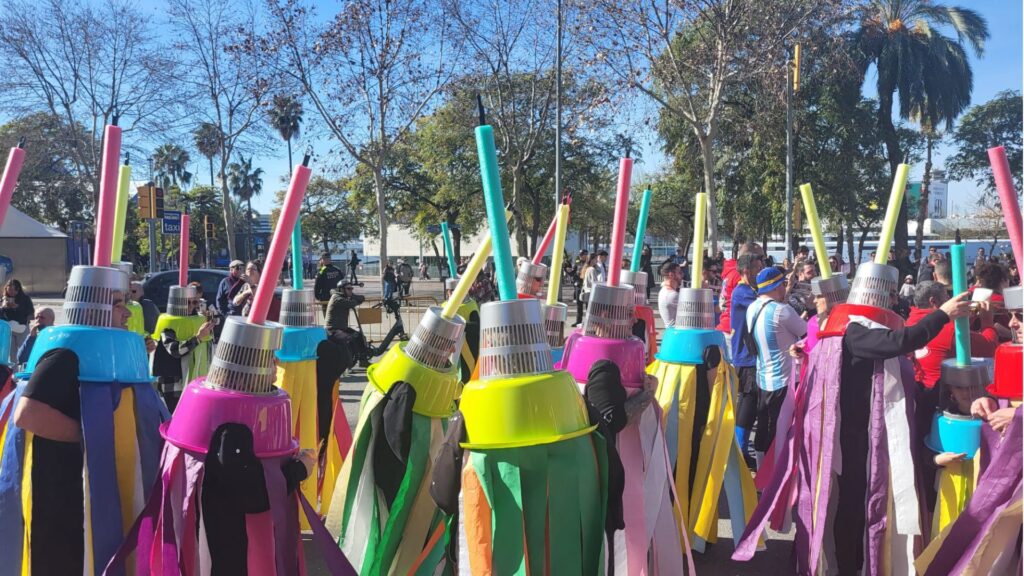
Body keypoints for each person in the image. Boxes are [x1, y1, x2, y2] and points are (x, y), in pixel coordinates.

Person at [747, 267, 807, 465]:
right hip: (784, 380)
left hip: (763, 377)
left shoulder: (752, 307)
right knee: (780, 431)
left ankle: (761, 471)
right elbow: (806, 332)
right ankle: (776, 474)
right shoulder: (782, 311)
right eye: (782, 284)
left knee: (763, 427)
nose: (785, 288)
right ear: (775, 286)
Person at [908, 281, 999, 389]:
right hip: (946, 391)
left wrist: (969, 318)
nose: (950, 301)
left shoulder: (908, 322)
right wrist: (987, 321)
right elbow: (989, 348)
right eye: (947, 298)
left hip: (919, 387)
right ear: (933, 302)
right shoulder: (945, 329)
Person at [151, 287, 215, 412]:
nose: (191, 306)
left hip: (190, 380)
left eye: (194, 302)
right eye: (187, 303)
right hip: (172, 381)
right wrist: (198, 338)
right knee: (176, 415)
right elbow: (176, 350)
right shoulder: (168, 324)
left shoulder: (197, 320)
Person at [730, 251, 764, 463]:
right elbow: (766, 303)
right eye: (757, 269)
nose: (760, 272)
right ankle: (740, 449)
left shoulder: (751, 290)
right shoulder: (742, 293)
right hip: (745, 355)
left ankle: (740, 447)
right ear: (746, 271)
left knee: (750, 401)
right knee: (748, 402)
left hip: (752, 355)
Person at [1, 278, 34, 364]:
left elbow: (31, 313)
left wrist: (17, 307)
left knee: (24, 351)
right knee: (12, 353)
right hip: (9, 329)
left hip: (22, 327)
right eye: (9, 289)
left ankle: (24, 368)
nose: (11, 292)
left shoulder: (25, 298)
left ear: (18, 289)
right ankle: (14, 371)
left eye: (14, 290)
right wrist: (3, 307)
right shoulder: (3, 299)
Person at [576, 253, 600, 326]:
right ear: (592, 260)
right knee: (592, 313)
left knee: (588, 312)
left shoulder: (586, 268)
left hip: (586, 292)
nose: (597, 261)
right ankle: (589, 326)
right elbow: (595, 282)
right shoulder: (592, 269)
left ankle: (586, 325)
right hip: (591, 293)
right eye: (596, 259)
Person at [657, 260, 682, 327]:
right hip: (678, 331)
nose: (682, 275)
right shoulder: (672, 295)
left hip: (673, 331)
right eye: (680, 273)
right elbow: (694, 313)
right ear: (671, 275)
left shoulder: (664, 291)